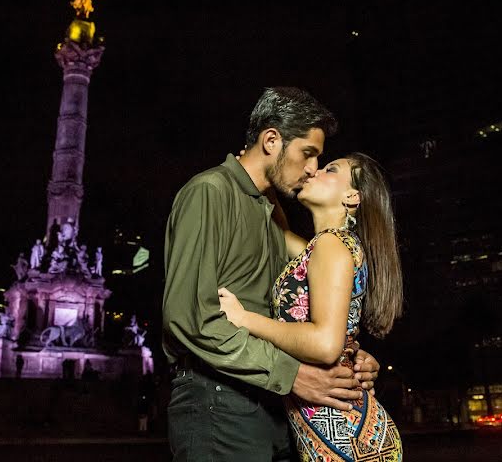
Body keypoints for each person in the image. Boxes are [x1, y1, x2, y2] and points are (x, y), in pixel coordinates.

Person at [163, 87, 381, 462]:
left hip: (274, 406)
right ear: (271, 140)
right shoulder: (210, 192)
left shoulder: (273, 220)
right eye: (308, 154)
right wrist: (293, 374)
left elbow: (300, 311)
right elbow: (192, 319)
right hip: (219, 403)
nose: (312, 168)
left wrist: (348, 354)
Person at [219, 153, 404, 460]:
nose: (316, 170)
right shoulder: (325, 246)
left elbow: (324, 345)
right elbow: (277, 231)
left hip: (346, 437)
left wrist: (245, 318)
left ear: (351, 196)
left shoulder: (332, 245)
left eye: (332, 169)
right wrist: (266, 173)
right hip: (341, 429)